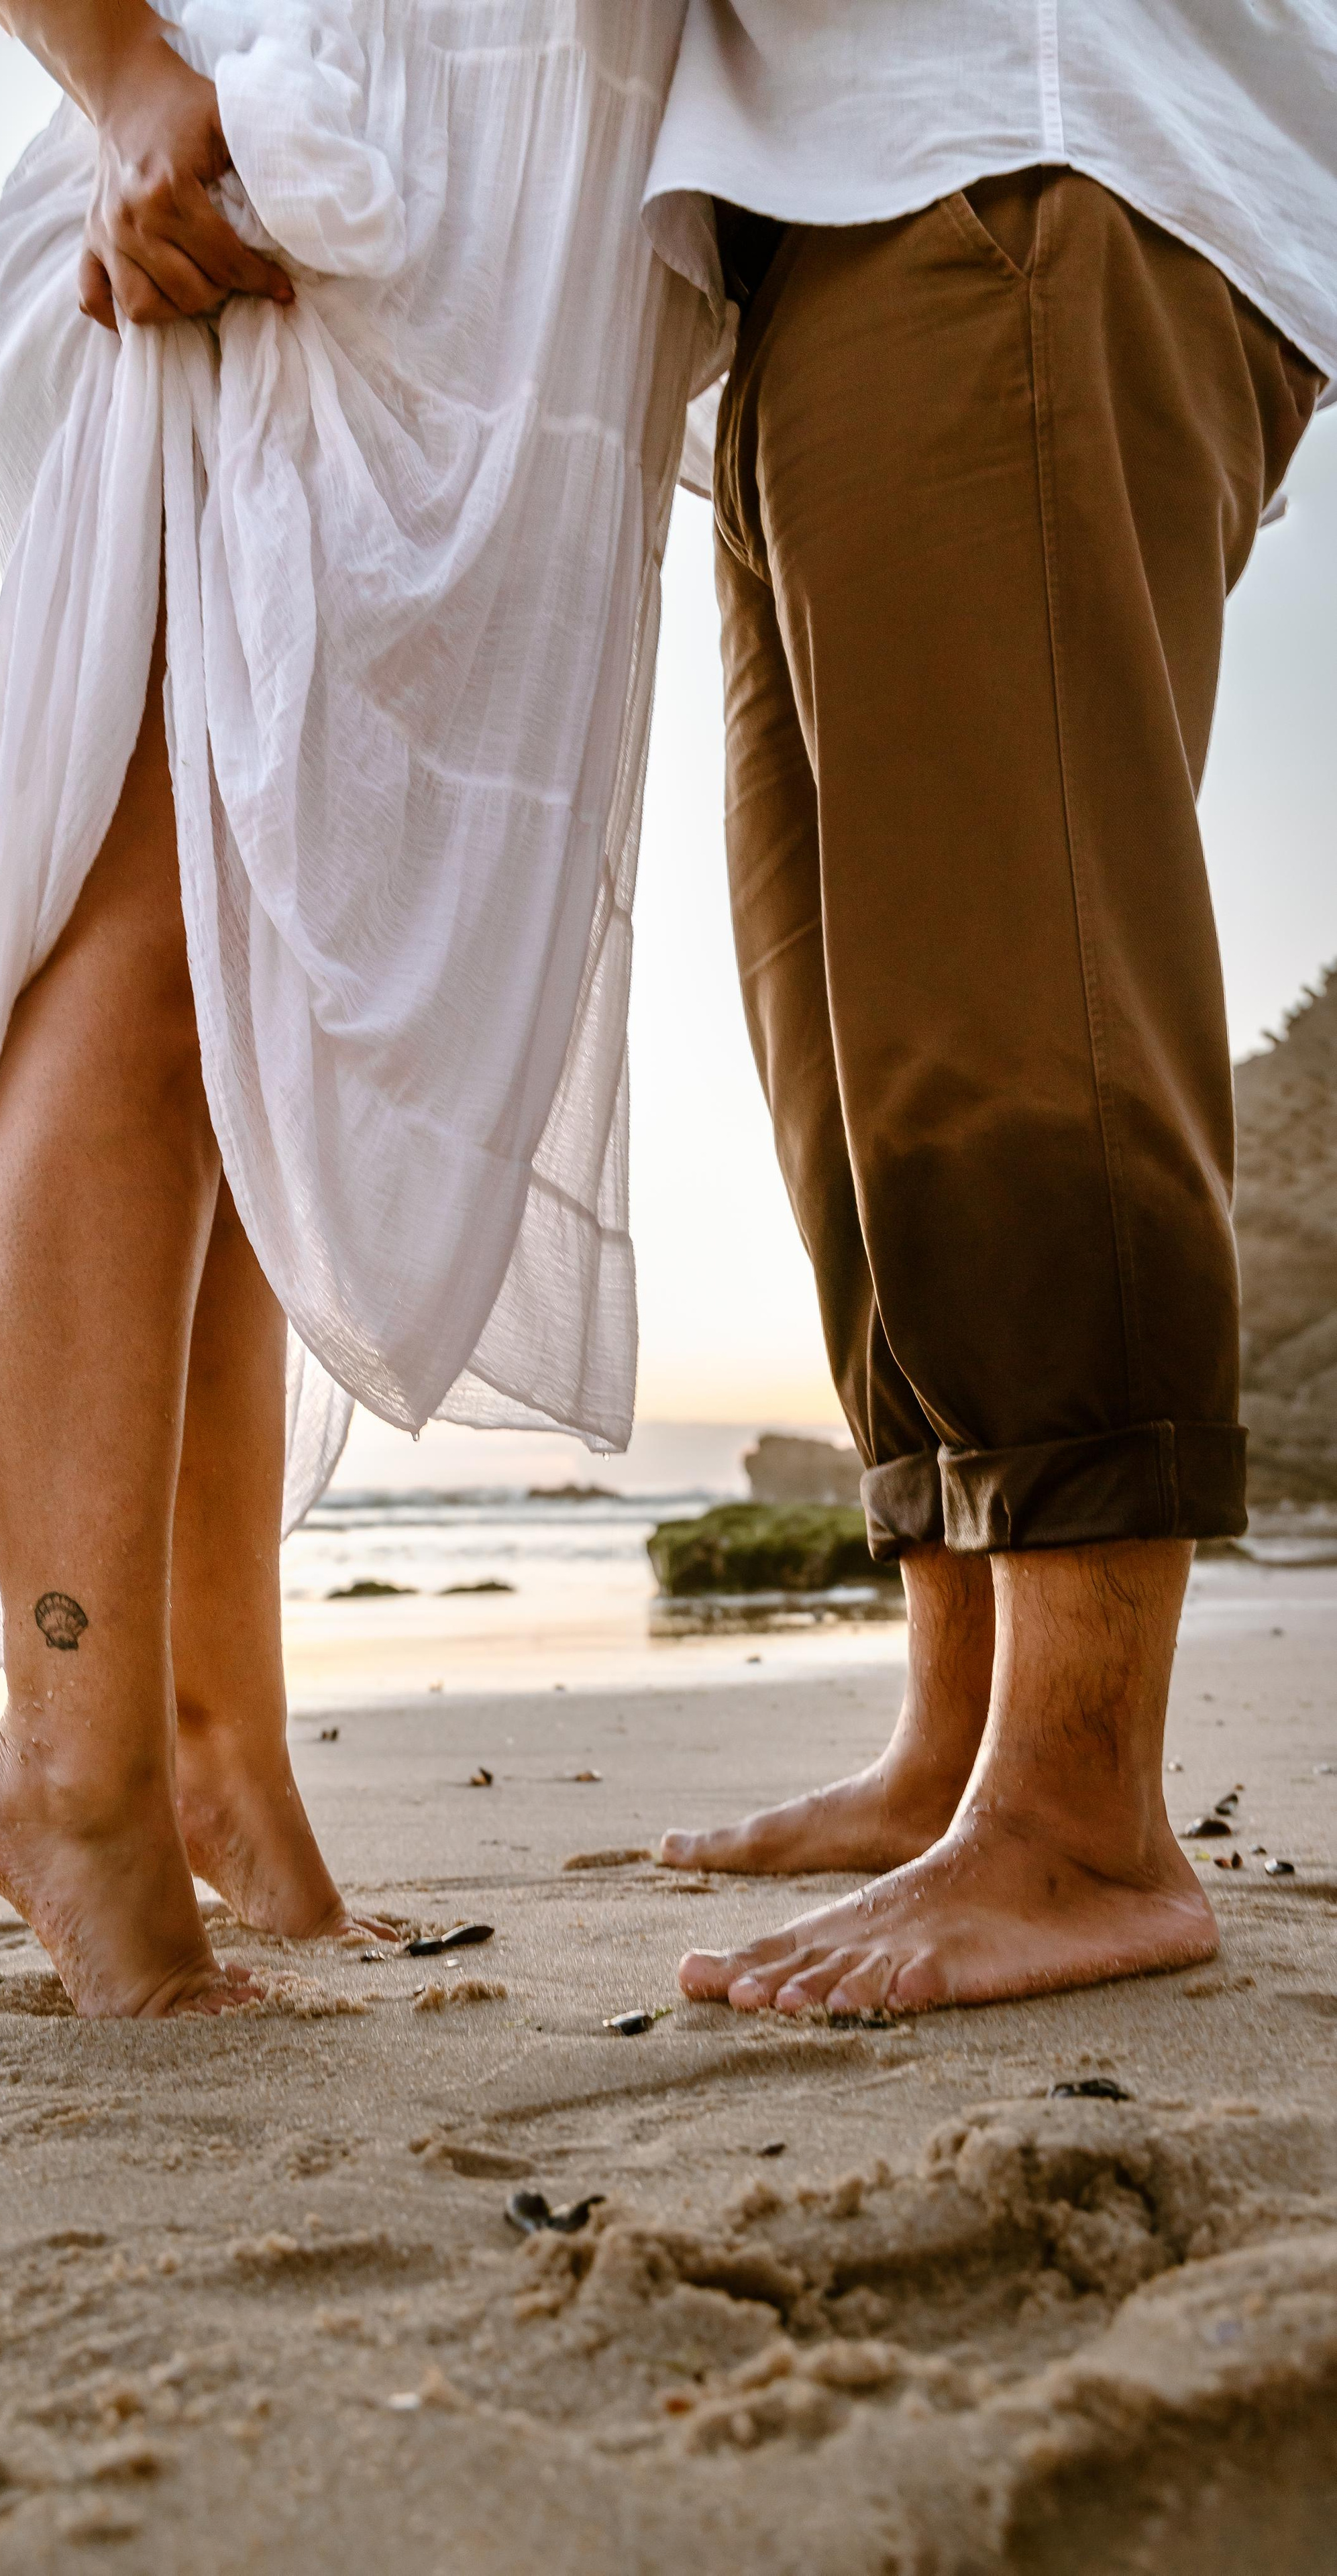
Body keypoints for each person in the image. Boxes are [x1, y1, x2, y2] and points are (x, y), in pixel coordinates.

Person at [0, 1, 723, 2014]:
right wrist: (124, 73)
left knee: (268, 1031)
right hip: (272, 191)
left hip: (504, 250)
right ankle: (74, 1767)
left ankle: (215, 1747)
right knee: (168, 942)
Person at [646, 2, 1334, 2016]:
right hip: (806, 227)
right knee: (849, 1063)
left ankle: (1082, 1808)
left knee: (1013, 972)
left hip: (1009, 142)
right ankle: (960, 1739)